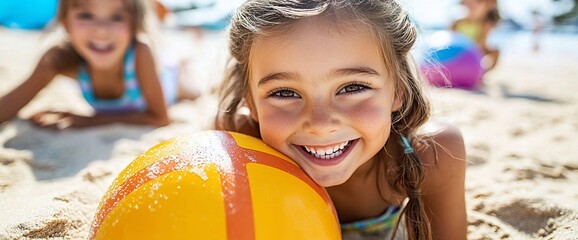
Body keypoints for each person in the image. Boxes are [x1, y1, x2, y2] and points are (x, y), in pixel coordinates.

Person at [214, 0, 467, 239]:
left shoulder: (432, 155)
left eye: (353, 87)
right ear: (251, 104)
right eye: (284, 93)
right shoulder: (241, 145)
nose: (321, 125)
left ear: (399, 89)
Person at [0, 0, 199, 129]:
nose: (101, 31)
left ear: (134, 25)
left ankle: (185, 55)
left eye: (116, 17)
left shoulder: (140, 51)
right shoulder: (60, 58)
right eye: (86, 16)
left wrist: (86, 121)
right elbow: (10, 103)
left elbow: (159, 118)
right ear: (66, 22)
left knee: (193, 90)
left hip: (169, 79)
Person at [451, 0, 501, 72]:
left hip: (474, 52)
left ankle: (480, 72)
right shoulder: (457, 22)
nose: (472, 5)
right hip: (458, 51)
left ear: (488, 6)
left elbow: (480, 45)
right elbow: (450, 40)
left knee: (495, 53)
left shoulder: (486, 24)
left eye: (477, 3)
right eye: (469, 4)